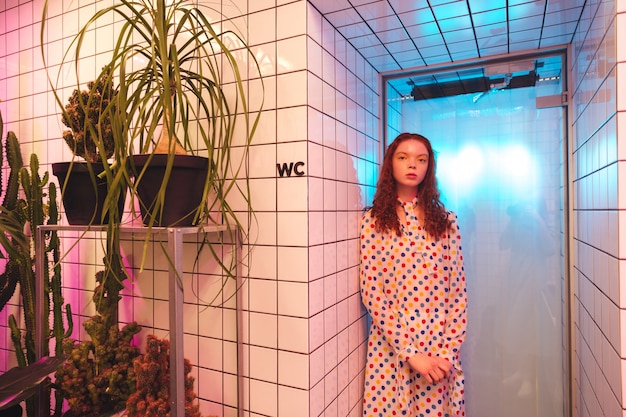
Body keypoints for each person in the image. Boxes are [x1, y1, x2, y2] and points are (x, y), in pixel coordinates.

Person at [360, 132, 468, 416]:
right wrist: (410, 353)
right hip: (391, 349)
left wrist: (446, 353)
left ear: (429, 167)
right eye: (403, 157)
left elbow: (457, 293)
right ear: (390, 164)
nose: (412, 165)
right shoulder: (374, 221)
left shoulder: (446, 222)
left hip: (437, 348)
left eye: (421, 159)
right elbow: (372, 292)